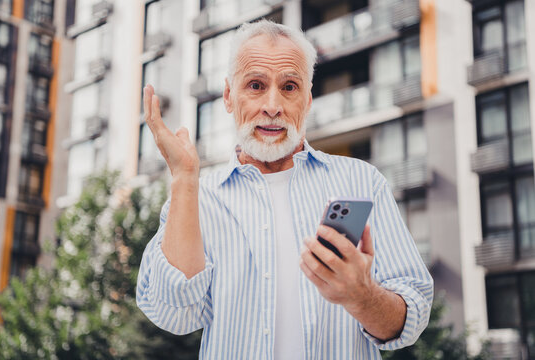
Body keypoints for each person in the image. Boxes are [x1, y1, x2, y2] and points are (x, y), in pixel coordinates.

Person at [136, 20, 433, 360]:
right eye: (256, 85)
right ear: (229, 96)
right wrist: (183, 179)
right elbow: (174, 314)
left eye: (289, 87)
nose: (273, 105)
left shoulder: (362, 182)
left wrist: (361, 296)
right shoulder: (197, 198)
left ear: (307, 100)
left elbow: (413, 317)